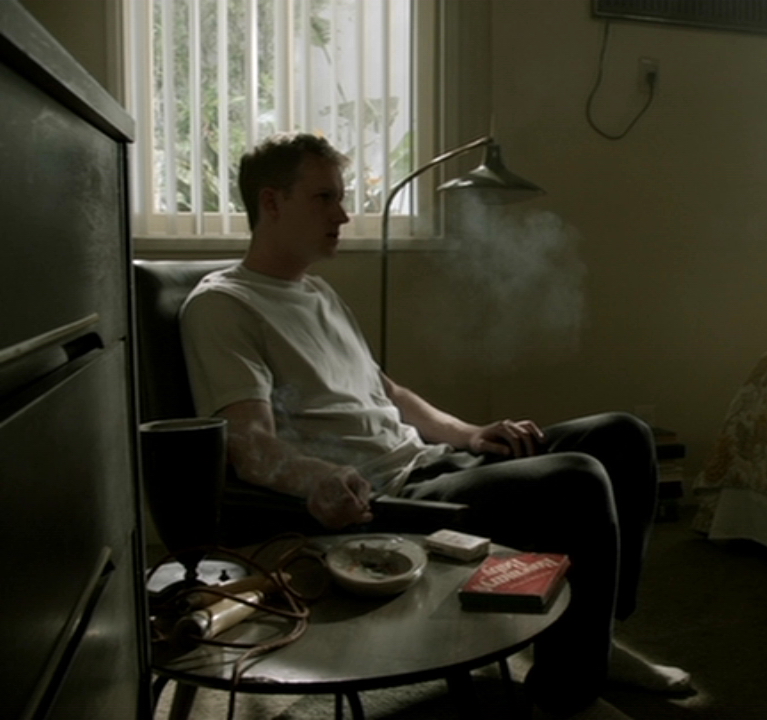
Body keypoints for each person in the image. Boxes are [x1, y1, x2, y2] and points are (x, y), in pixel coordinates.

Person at [179, 132, 689, 715]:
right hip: (384, 496)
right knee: (576, 479)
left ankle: (592, 638)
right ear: (271, 202)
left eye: (341, 197)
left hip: (426, 462)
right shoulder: (223, 306)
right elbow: (249, 444)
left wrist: (471, 434)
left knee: (623, 436)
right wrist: (318, 477)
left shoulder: (317, 292)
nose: (343, 214)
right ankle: (569, 697)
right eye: (325, 198)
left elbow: (389, 392)